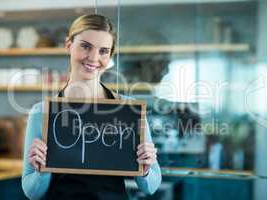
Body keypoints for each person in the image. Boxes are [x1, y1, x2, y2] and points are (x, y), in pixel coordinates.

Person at [22, 14, 162, 200]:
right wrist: (41, 170)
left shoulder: (128, 110)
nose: (94, 57)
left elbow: (151, 186)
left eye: (103, 51)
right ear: (68, 45)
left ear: (110, 56)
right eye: (85, 46)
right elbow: (31, 192)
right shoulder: (42, 112)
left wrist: (145, 169)